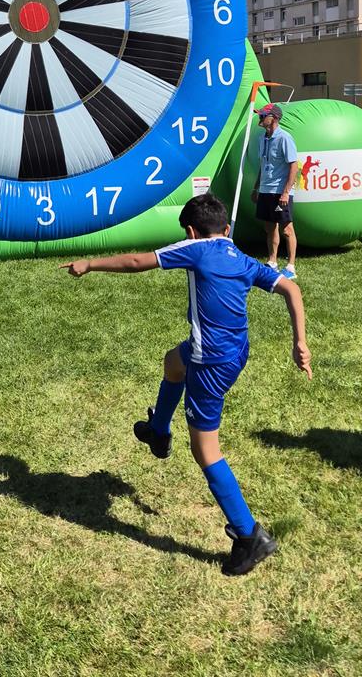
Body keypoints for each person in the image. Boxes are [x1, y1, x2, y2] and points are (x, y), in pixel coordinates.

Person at [61, 193, 311, 575]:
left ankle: (249, 536)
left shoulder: (194, 249)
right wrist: (299, 343)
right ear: (227, 229)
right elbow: (291, 290)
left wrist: (89, 264)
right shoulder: (243, 259)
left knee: (206, 450)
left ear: (192, 232)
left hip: (209, 362)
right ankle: (159, 431)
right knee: (172, 363)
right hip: (233, 353)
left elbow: (135, 261)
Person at [250, 103, 298, 278]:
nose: (260, 118)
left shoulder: (285, 138)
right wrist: (257, 188)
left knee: (287, 229)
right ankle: (272, 262)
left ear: (274, 118)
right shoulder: (262, 139)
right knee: (269, 227)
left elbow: (294, 166)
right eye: (260, 115)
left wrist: (286, 192)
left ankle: (291, 267)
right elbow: (263, 166)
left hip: (280, 192)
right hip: (265, 190)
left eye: (263, 115)